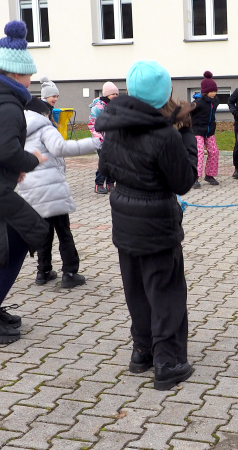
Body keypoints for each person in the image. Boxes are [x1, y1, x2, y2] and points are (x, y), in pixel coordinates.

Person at [96, 61, 198, 391]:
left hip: (124, 217)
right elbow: (183, 181)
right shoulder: (166, 135)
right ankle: (167, 362)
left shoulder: (114, 125)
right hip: (156, 221)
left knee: (136, 288)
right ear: (164, 94)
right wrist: (186, 135)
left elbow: (106, 168)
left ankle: (142, 351)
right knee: (165, 290)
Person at [0, 20, 49, 344]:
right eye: (29, 75)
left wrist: (12, 169)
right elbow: (6, 149)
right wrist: (31, 159)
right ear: (16, 74)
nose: (31, 81)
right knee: (28, 234)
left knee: (11, 242)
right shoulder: (8, 105)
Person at [19, 98, 99, 288]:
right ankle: (70, 273)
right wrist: (95, 143)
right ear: (44, 114)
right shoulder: (45, 128)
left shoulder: (19, 130)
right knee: (63, 232)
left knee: (44, 232)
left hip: (30, 190)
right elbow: (60, 148)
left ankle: (43, 272)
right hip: (51, 189)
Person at [191, 71, 220, 189]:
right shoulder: (197, 103)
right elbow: (188, 112)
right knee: (199, 152)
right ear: (205, 92)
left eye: (214, 91)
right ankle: (195, 177)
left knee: (214, 151)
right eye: (211, 92)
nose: (213, 93)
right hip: (197, 131)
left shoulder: (215, 101)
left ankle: (209, 175)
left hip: (209, 131)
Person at [88, 82, 119, 194]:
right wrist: (99, 138)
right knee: (104, 162)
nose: (115, 96)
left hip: (113, 140)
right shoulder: (98, 107)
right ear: (106, 94)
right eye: (113, 94)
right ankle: (99, 184)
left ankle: (111, 183)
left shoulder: (115, 106)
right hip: (101, 140)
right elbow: (92, 124)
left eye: (117, 94)